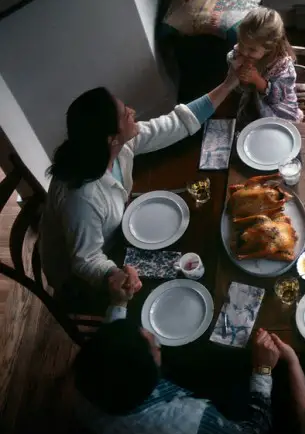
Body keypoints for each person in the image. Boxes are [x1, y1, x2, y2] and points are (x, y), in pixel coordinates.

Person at [39, 71, 240, 299]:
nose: (133, 112)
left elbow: (174, 124)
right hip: (79, 279)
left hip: (116, 231)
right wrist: (113, 274)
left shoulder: (104, 147)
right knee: (190, 277)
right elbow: (85, 260)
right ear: (111, 139)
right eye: (126, 115)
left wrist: (228, 84)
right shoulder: (82, 198)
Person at [72, 288, 277, 434]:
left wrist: (119, 302)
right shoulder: (188, 420)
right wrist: (263, 369)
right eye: (155, 349)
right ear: (151, 380)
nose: (156, 341)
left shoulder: (91, 376)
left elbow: (111, 343)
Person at [227, 6, 302, 122]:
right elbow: (236, 88)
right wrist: (239, 75)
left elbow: (277, 98)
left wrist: (257, 80)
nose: (245, 52)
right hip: (252, 103)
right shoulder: (239, 55)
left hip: (277, 109)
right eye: (242, 44)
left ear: (269, 48)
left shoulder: (282, 66)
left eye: (252, 50)